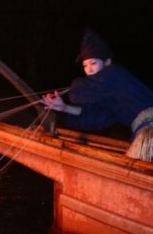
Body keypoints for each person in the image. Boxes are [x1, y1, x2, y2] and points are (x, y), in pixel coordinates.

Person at [42, 28, 153, 162]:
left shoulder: (114, 74)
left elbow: (82, 89)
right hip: (142, 133)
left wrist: (74, 88)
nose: (89, 69)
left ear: (107, 62)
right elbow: (96, 118)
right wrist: (64, 107)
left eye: (93, 63)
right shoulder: (107, 95)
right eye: (85, 65)